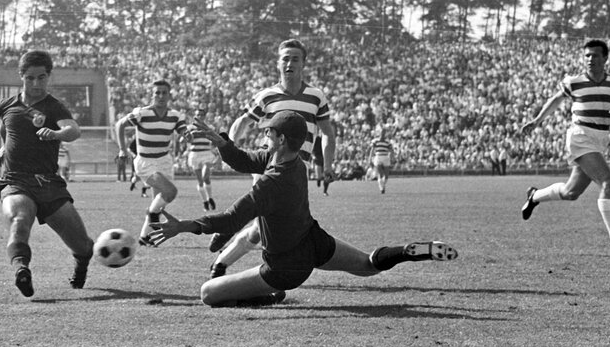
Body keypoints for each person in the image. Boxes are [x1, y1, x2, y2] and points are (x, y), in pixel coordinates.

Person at [148, 111, 458, 307]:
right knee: (367, 265)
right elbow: (244, 160)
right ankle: (408, 251)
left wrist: (183, 226)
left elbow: (231, 219)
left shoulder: (272, 182)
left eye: (269, 133)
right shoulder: (294, 162)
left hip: (284, 267)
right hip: (313, 242)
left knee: (208, 294)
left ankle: (268, 296)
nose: (264, 135)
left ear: (281, 139)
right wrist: (222, 143)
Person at [207, 39, 338, 278]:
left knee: (262, 226)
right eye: (285, 58)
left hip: (298, 170)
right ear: (278, 64)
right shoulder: (267, 96)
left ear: (303, 64)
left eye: (295, 58)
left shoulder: (316, 97)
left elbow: (328, 133)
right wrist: (231, 148)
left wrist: (328, 164)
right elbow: (242, 121)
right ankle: (223, 261)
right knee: (264, 222)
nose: (289, 63)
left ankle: (226, 245)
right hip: (270, 164)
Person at [0, 50, 95, 297]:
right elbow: (4, 130)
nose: (36, 83)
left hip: (48, 182)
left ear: (49, 76)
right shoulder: (7, 105)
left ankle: (81, 263)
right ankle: (21, 270)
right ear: (21, 76)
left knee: (83, 245)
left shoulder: (54, 107)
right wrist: (2, 148)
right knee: (19, 220)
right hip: (15, 179)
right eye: (30, 78)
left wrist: (56, 134)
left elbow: (73, 130)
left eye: (41, 77)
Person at [520, 39, 610, 251]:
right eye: (587, 56)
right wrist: (537, 121)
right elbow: (555, 100)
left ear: (606, 58)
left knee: (571, 192)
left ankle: (534, 196)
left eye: (595, 55)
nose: (590, 59)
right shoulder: (574, 81)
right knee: (608, 182)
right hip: (580, 136)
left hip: (599, 140)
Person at [115, 79, 189, 246]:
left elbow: (183, 130)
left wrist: (188, 134)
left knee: (159, 201)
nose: (161, 96)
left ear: (169, 95)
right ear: (152, 95)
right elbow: (120, 125)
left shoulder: (175, 116)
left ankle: (144, 237)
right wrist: (122, 149)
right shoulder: (142, 113)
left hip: (164, 160)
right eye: (157, 93)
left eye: (164, 92)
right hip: (145, 162)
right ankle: (151, 214)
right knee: (170, 192)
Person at [186, 106, 218, 211]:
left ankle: (210, 198)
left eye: (201, 115)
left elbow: (214, 139)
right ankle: (205, 202)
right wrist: (187, 137)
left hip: (206, 154)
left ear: (204, 116)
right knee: (200, 181)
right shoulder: (190, 128)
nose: (199, 116)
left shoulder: (209, 127)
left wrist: (215, 148)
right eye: (198, 115)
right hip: (195, 155)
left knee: (205, 177)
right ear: (195, 116)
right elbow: (185, 140)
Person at [368, 128, 395, 194]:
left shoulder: (387, 142)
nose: (383, 134)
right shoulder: (375, 141)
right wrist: (370, 158)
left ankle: (382, 185)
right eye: (382, 132)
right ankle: (381, 188)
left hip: (385, 157)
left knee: (386, 176)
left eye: (384, 132)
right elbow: (372, 150)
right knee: (380, 174)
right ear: (379, 133)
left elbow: (391, 150)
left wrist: (392, 157)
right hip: (378, 157)